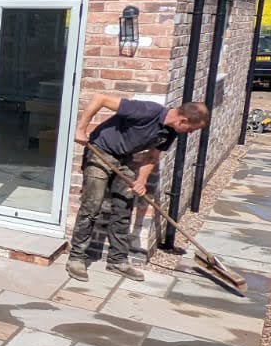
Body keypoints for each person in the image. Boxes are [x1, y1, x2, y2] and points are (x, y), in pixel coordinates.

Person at [66, 94, 209, 281]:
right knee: (91, 207)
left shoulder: (170, 131)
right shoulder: (146, 111)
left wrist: (141, 181)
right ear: (183, 120)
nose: (190, 133)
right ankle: (76, 258)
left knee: (123, 209)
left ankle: (117, 261)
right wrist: (81, 130)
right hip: (100, 151)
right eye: (192, 129)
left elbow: (152, 156)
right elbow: (100, 98)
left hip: (124, 159)